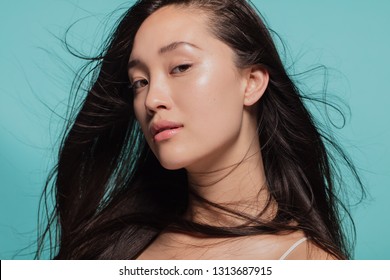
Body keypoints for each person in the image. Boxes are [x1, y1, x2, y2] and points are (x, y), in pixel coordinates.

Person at [36, 0, 362, 260]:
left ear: (251, 83)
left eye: (180, 67)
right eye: (140, 81)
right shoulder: (108, 246)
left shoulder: (307, 263)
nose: (152, 99)